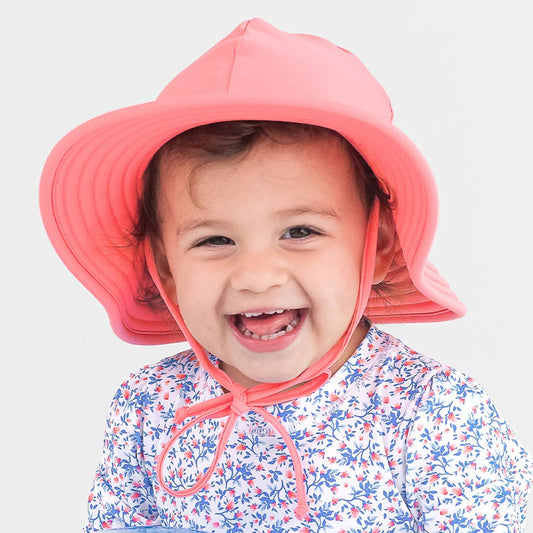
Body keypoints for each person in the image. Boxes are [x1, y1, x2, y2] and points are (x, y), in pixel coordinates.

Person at [39, 18, 532, 533]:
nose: (256, 276)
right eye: (214, 240)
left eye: (299, 231)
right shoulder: (150, 405)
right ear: (165, 266)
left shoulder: (436, 415)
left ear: (378, 245)